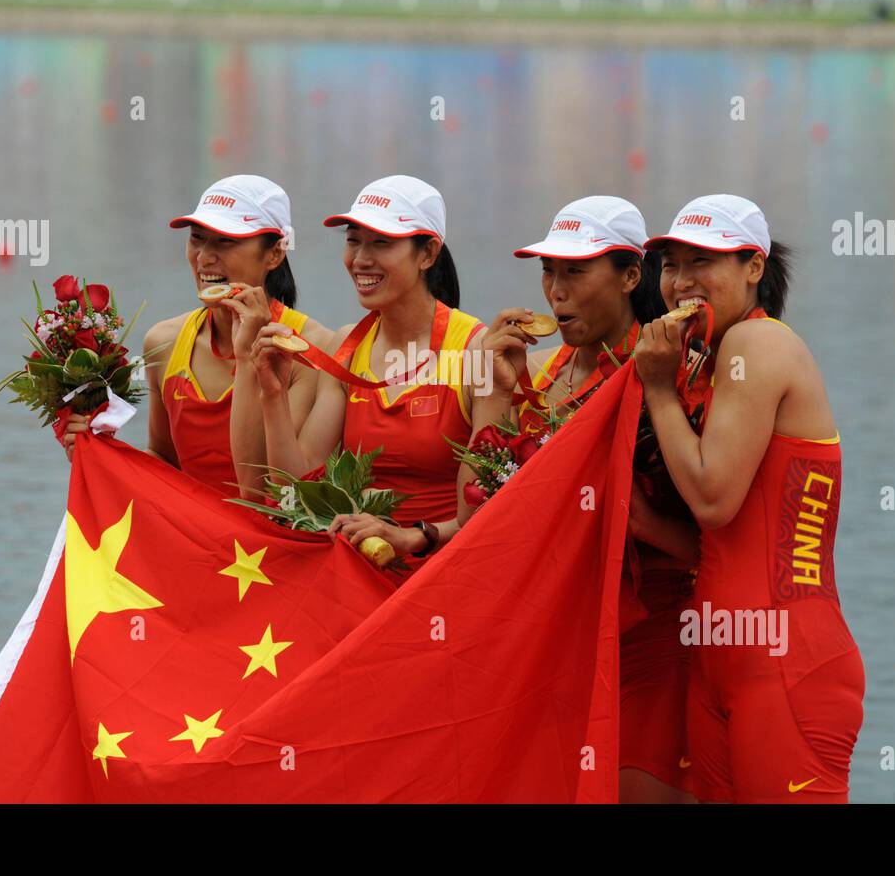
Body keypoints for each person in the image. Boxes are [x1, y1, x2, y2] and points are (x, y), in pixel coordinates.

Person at [459, 196, 701, 803]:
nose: (555, 291)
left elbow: (717, 535)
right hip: (555, 643)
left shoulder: (676, 374)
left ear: (630, 275)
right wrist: (491, 399)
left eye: (574, 271)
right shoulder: (536, 376)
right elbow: (475, 528)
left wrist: (629, 516)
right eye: (548, 271)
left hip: (652, 642)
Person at [634, 194, 864, 803]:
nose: (681, 282)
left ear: (754, 268)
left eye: (701, 262)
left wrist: (656, 389)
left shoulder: (757, 347)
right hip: (721, 659)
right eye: (671, 264)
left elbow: (713, 498)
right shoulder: (705, 364)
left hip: (785, 663)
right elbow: (715, 541)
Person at [244, 175, 486, 566]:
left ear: (428, 253)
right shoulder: (347, 347)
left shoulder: (476, 350)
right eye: (354, 240)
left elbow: (490, 507)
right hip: (366, 570)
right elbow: (299, 489)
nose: (360, 260)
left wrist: (412, 537)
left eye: (381, 243)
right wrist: (272, 396)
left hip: (447, 571)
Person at [59, 175, 337, 497]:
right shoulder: (164, 342)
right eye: (197, 239)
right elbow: (164, 461)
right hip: (195, 542)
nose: (204, 257)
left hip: (268, 540)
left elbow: (273, 492)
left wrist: (249, 358)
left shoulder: (312, 349)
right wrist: (100, 455)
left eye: (225, 242)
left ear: (275, 254)